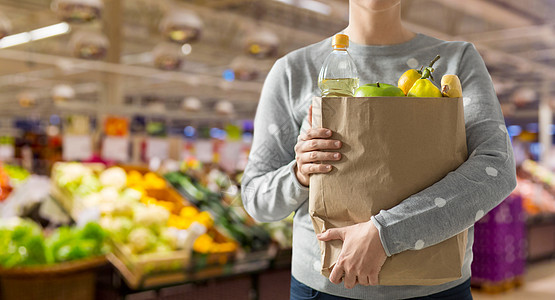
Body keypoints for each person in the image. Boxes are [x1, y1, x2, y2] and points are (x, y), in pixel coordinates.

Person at [241, 0, 517, 299]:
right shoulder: (293, 71)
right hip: (323, 290)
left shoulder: (456, 60)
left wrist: (386, 233)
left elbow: (497, 168)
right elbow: (255, 198)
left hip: (437, 289)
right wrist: (300, 173)